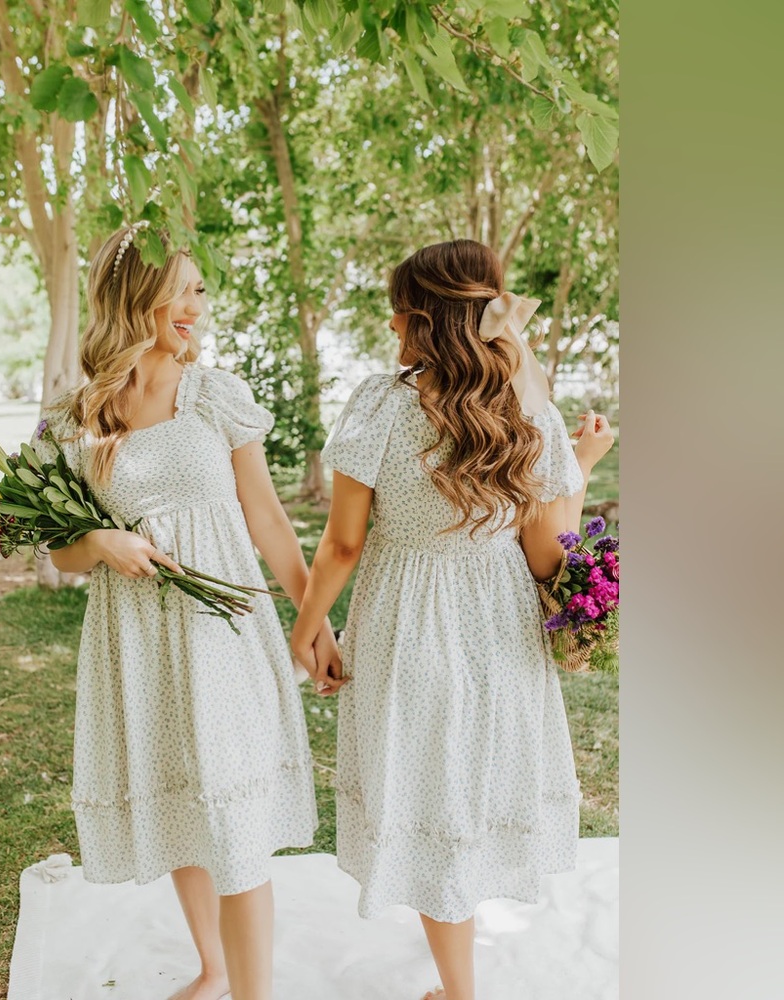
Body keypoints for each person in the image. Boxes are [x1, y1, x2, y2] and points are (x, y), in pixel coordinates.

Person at [290, 239, 615, 1000]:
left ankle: (458, 990)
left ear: (415, 320)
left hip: (407, 616)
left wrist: (309, 623)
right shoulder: (528, 413)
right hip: (495, 616)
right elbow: (544, 556)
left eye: (397, 314)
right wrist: (584, 462)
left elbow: (342, 542)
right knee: (468, 783)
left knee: (429, 785)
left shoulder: (377, 403)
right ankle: (458, 973)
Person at [30, 224, 341, 1000]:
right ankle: (213, 967)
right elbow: (59, 552)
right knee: (184, 806)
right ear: (139, 298)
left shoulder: (214, 395)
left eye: (202, 289)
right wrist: (100, 540)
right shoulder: (82, 414)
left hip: (222, 629)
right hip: (134, 638)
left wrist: (312, 619)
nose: (200, 305)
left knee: (234, 825)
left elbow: (267, 518)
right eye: (187, 290)